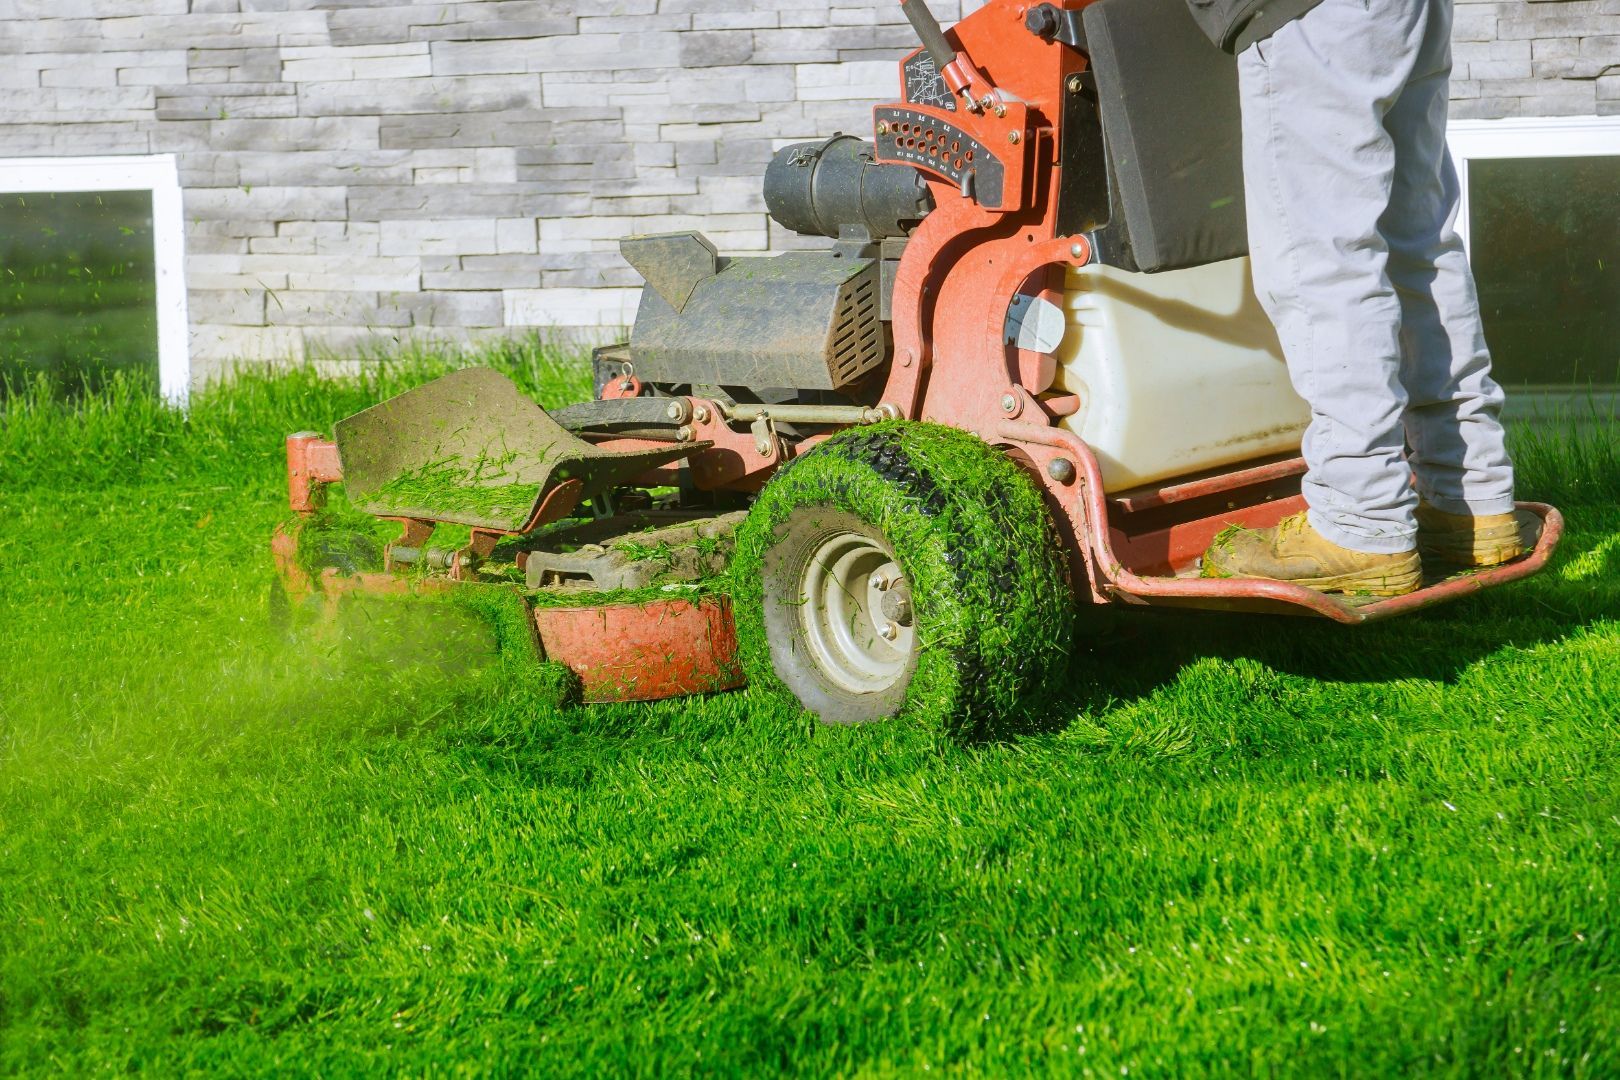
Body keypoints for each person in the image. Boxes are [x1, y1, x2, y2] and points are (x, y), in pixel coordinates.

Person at [1190, 0, 1524, 596]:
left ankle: (1361, 521)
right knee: (1418, 241)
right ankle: (1467, 496)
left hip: (1306, 14)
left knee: (1322, 260)